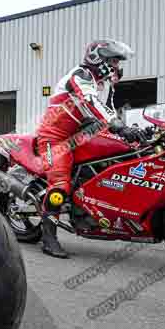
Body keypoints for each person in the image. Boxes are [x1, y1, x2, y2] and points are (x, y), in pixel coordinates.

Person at [27, 39, 143, 259]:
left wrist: (131, 131)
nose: (117, 65)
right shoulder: (80, 75)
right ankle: (49, 239)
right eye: (114, 60)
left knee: (122, 155)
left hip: (83, 133)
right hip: (56, 137)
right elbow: (90, 101)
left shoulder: (105, 83)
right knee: (60, 186)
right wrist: (117, 126)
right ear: (98, 58)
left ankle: (95, 210)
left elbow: (108, 110)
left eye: (118, 61)